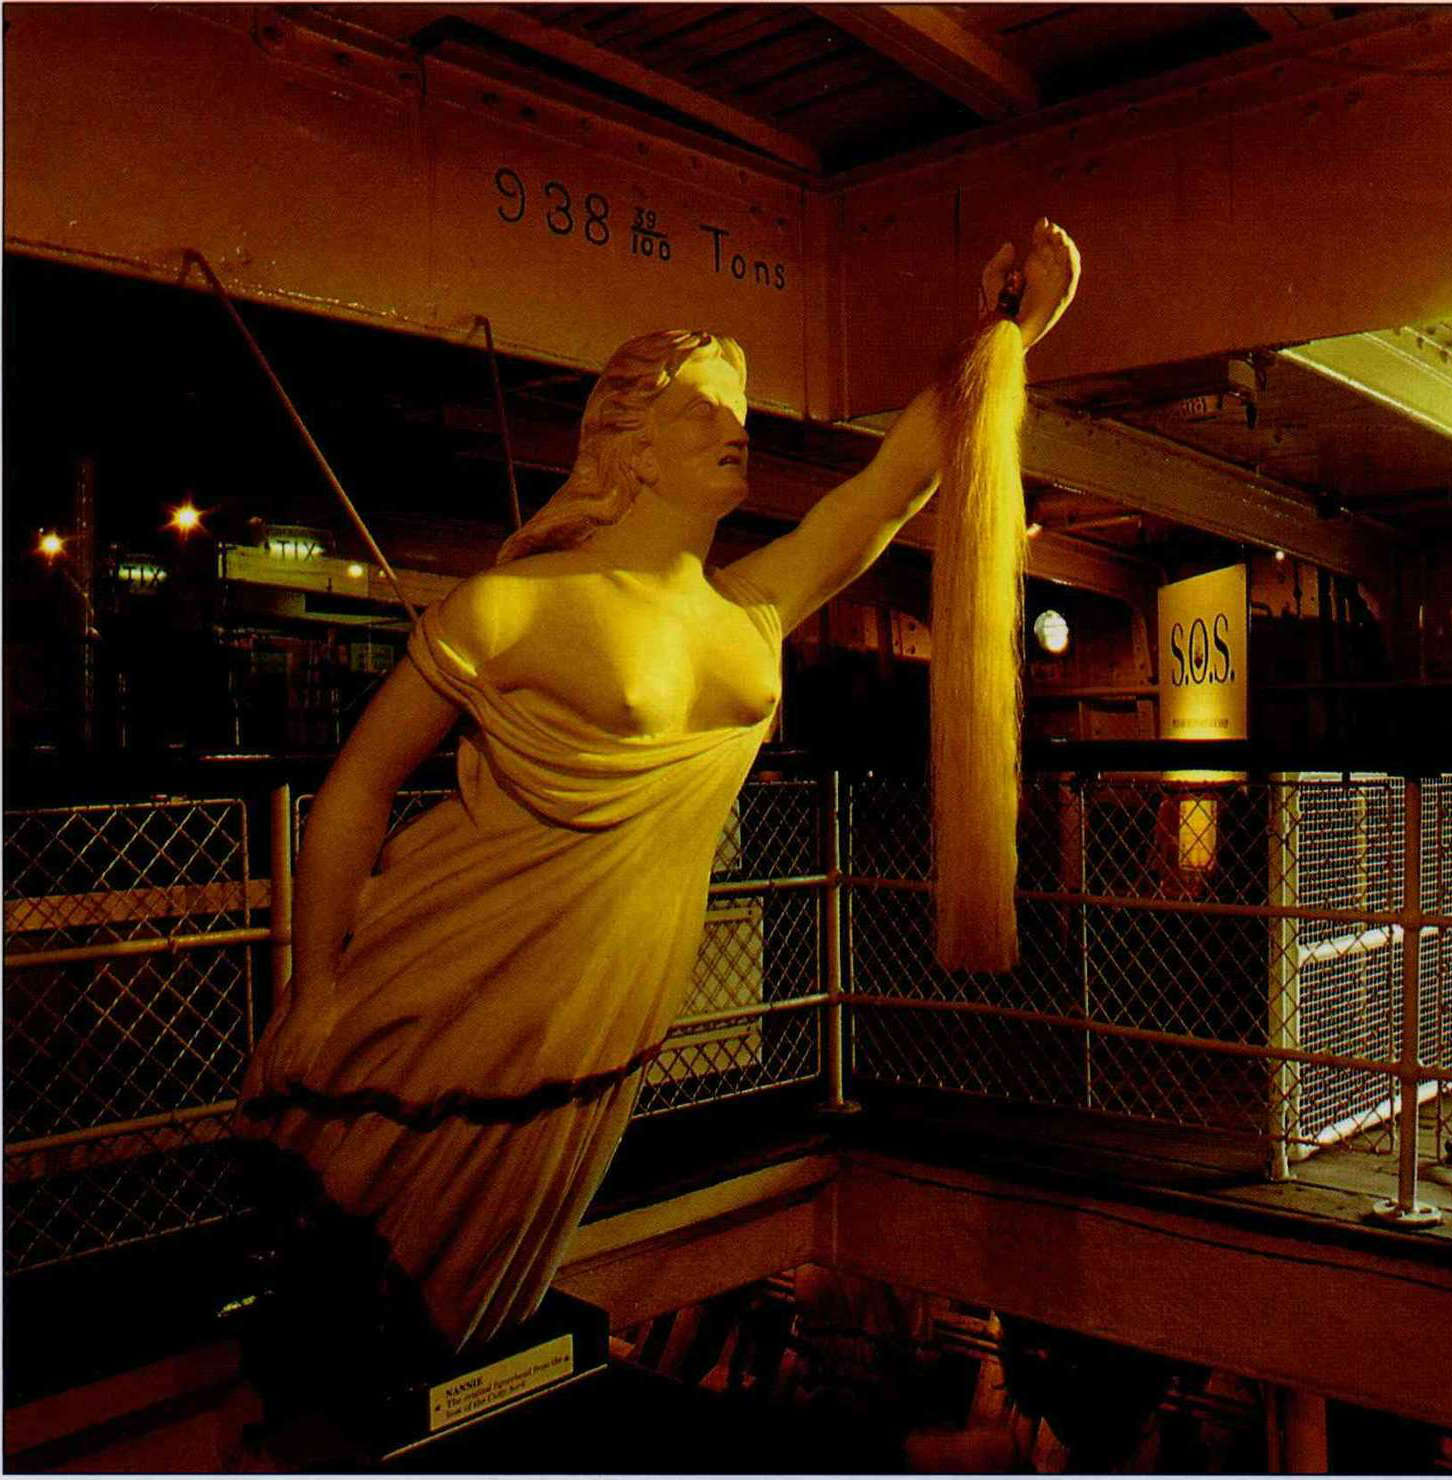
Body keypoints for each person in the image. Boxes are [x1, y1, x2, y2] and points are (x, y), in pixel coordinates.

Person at [234, 221, 1080, 1352]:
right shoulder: (514, 606)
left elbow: (888, 488)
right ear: (628, 446)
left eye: (740, 412)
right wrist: (316, 990)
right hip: (458, 988)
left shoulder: (749, 605)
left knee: (491, 1287)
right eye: (704, 411)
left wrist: (1009, 330)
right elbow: (356, 788)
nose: (737, 430)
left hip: (611, 1013)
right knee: (382, 1272)